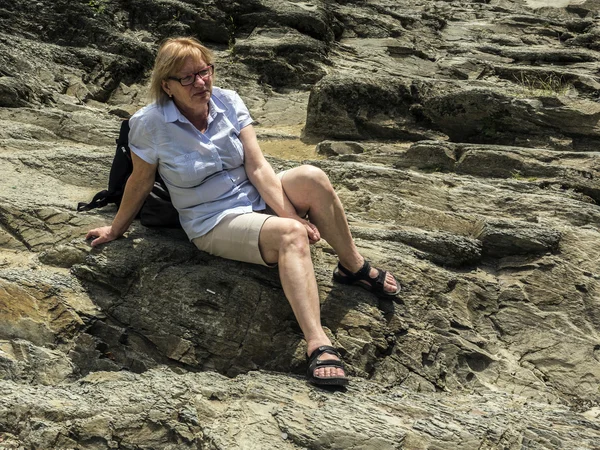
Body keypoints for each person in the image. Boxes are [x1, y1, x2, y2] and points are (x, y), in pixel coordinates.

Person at [86, 36, 401, 387]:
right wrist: (116, 230)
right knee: (291, 235)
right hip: (212, 219)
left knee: (313, 177)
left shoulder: (228, 101)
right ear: (167, 86)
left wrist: (289, 212)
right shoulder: (147, 124)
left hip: (252, 195)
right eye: (187, 78)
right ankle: (317, 342)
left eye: (204, 72)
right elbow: (140, 181)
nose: (200, 83)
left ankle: (352, 266)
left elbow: (258, 167)